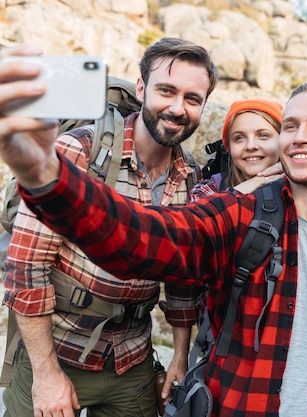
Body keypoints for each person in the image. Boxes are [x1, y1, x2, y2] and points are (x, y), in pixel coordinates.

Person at [0, 46, 307, 417]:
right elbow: (142, 238)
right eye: (292, 126)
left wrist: (178, 354)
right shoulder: (239, 216)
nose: (301, 136)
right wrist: (47, 177)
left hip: (131, 357)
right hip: (69, 351)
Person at [1, 38, 218, 417]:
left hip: (130, 361)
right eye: (166, 90)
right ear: (141, 88)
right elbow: (26, 268)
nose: (177, 108)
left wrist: (180, 356)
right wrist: (47, 375)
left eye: (192, 98)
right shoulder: (79, 150)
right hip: (58, 350)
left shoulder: (191, 178)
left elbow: (183, 282)